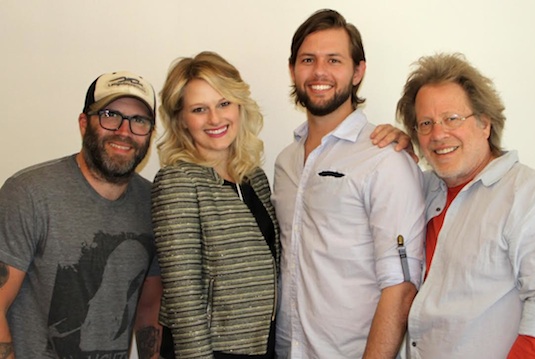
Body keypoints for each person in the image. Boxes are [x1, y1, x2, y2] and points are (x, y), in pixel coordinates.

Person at [375, 52, 535, 358]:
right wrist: (394, 151)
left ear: (485, 124)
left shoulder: (531, 196)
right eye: (425, 123)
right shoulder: (421, 190)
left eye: (452, 118)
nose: (438, 134)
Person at [272, 9, 426, 359]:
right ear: (293, 69)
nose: (319, 72)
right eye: (307, 59)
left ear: (358, 71)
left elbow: (401, 287)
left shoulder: (385, 159)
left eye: (334, 60)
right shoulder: (285, 163)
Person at [0, 71, 162, 358]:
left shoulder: (154, 203)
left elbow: (149, 309)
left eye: (139, 121)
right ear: (84, 122)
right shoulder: (30, 193)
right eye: (110, 115)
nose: (124, 131)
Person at [152, 51, 280, 359]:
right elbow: (184, 298)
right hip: (207, 349)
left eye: (223, 103)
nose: (215, 119)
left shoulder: (255, 179)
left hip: (261, 344)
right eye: (199, 109)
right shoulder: (176, 182)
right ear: (181, 119)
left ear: (239, 106)